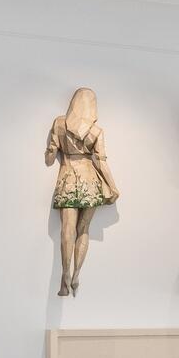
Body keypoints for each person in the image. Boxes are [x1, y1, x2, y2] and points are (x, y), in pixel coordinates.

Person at [44, 87, 119, 296]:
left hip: (67, 178)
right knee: (83, 229)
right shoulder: (96, 132)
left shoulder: (59, 123)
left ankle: (64, 273)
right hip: (89, 182)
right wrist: (113, 186)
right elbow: (101, 162)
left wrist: (51, 149)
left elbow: (50, 159)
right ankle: (77, 273)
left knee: (67, 229)